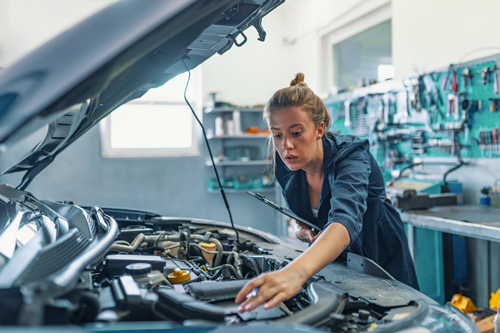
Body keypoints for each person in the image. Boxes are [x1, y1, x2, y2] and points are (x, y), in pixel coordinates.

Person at [235, 73, 418, 313]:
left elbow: (345, 220)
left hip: (379, 260)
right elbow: (296, 210)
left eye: (296, 132)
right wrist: (297, 227)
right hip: (332, 263)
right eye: (277, 134)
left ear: (319, 129)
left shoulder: (351, 156)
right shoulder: (287, 162)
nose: (285, 145)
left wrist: (294, 273)